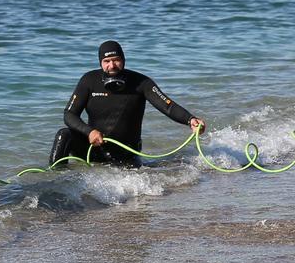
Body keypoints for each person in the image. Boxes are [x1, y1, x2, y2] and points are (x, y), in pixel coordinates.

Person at [49, 41, 205, 168]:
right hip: (94, 148)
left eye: (116, 60)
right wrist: (89, 131)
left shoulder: (141, 82)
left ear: (123, 60)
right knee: (64, 135)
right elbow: (69, 114)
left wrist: (190, 119)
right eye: (106, 61)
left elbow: (167, 105)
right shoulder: (89, 80)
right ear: (101, 63)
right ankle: (58, 180)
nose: (112, 65)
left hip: (126, 153)